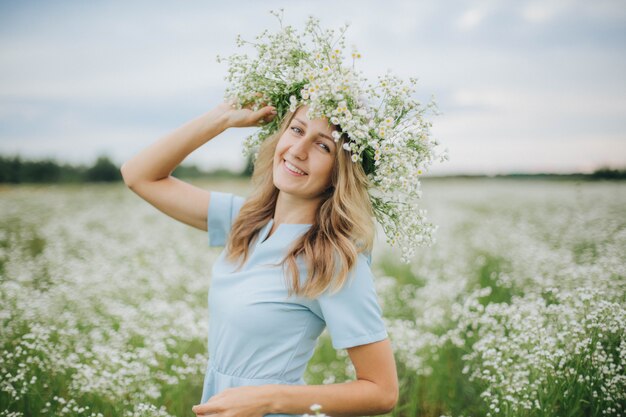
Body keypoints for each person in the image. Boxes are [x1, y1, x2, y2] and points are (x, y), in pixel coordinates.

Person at [120, 99, 399, 417]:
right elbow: (138, 175)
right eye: (296, 130)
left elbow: (382, 391)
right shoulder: (244, 220)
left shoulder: (332, 259)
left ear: (340, 171)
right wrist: (221, 118)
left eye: (322, 146)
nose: (297, 150)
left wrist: (270, 399)